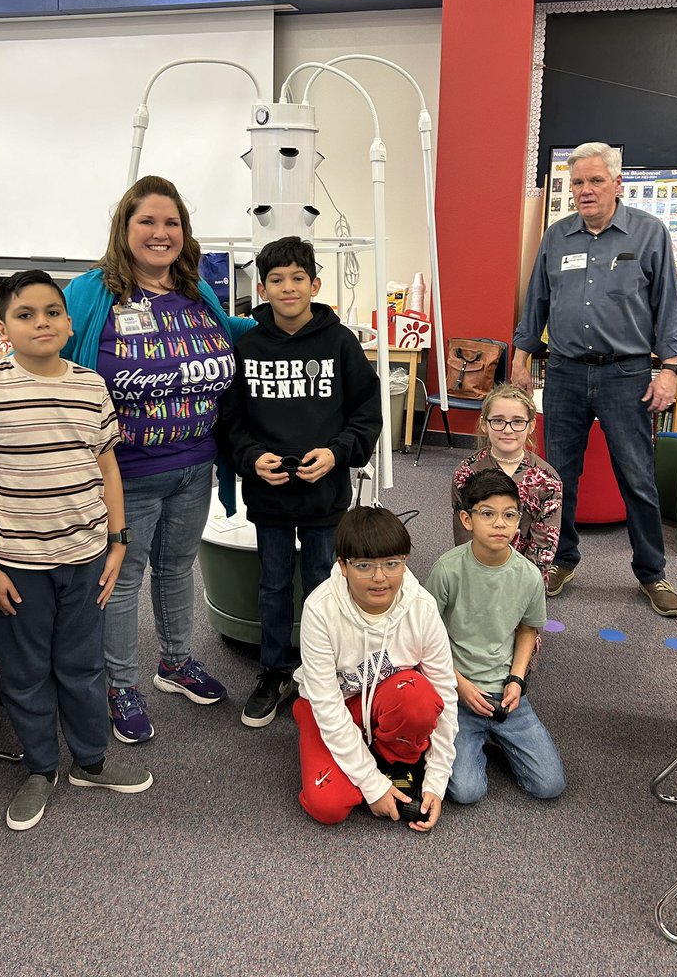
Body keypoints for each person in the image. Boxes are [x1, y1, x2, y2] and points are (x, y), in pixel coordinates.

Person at [0, 270, 152, 831]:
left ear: (68, 320)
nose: (42, 323)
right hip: (17, 565)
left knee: (83, 665)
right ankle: (40, 767)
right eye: (26, 314)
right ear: (3, 327)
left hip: (85, 556)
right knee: (26, 670)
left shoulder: (90, 385)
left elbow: (107, 468)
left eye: (52, 312)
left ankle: (90, 760)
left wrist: (117, 541)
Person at [62, 175, 256, 744]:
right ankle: (119, 685)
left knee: (177, 568)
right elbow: (46, 344)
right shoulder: (92, 292)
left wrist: (293, 321)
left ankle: (174, 661)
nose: (160, 232)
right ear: (125, 228)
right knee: (121, 581)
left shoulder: (197, 290)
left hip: (195, 462)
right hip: (124, 474)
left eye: (171, 222)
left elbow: (227, 334)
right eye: (147, 220)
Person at [511, 142, 677, 617]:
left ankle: (652, 572)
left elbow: (669, 308)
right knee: (559, 476)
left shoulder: (649, 234)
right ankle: (561, 560)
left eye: (594, 181)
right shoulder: (556, 237)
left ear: (617, 184)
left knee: (637, 478)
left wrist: (669, 370)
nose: (585, 191)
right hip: (564, 373)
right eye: (577, 183)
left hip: (626, 375)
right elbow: (537, 303)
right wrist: (522, 359)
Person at [219, 236, 382, 728]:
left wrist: (336, 454)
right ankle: (273, 670)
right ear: (263, 289)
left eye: (297, 278)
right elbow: (231, 421)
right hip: (269, 495)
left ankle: (321, 672)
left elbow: (366, 414)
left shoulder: (340, 343)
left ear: (315, 283)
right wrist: (250, 458)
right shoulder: (246, 346)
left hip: (324, 493)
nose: (287, 288)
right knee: (270, 585)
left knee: (322, 584)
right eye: (276, 280)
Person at [292, 506, 458, 830]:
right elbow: (327, 705)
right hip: (332, 705)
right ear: (342, 565)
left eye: (392, 564)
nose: (380, 578)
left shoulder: (421, 607)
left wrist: (437, 780)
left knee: (420, 699)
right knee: (328, 805)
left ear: (405, 560)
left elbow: (444, 694)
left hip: (388, 700)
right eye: (364, 566)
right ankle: (364, 760)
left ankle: (396, 758)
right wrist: (372, 784)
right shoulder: (319, 610)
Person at [425, 470, 565, 805]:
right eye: (487, 513)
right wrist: (458, 683)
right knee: (466, 792)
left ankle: (495, 737)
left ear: (519, 520)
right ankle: (481, 737)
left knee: (550, 785)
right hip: (456, 692)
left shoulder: (529, 575)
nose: (499, 524)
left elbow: (528, 629)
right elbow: (425, 637)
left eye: (509, 515)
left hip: (505, 695)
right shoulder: (447, 569)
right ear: (467, 519)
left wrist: (516, 680)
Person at [451, 382, 562, 585]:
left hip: (525, 576)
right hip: (477, 573)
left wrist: (522, 585)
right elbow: (463, 533)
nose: (508, 430)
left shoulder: (547, 479)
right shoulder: (466, 473)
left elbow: (544, 543)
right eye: (498, 421)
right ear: (484, 424)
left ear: (531, 425)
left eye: (518, 421)